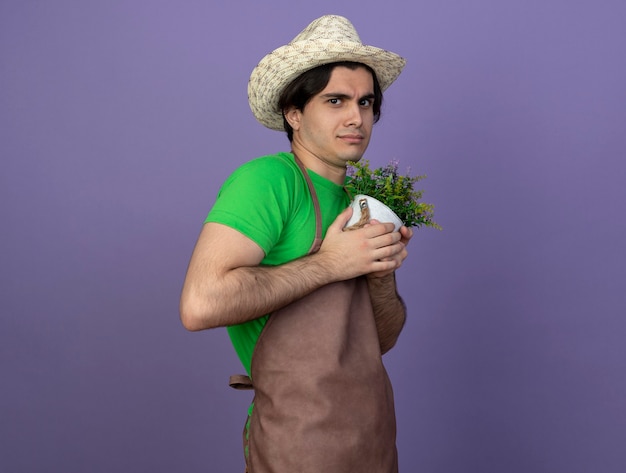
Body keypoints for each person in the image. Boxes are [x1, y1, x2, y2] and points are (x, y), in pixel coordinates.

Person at [180, 14, 412, 473]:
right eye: (335, 100)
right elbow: (201, 304)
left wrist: (380, 274)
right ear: (294, 113)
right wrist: (330, 264)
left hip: (372, 441)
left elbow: (377, 342)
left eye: (365, 102)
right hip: (297, 446)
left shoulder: (359, 204)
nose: (356, 117)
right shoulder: (270, 181)